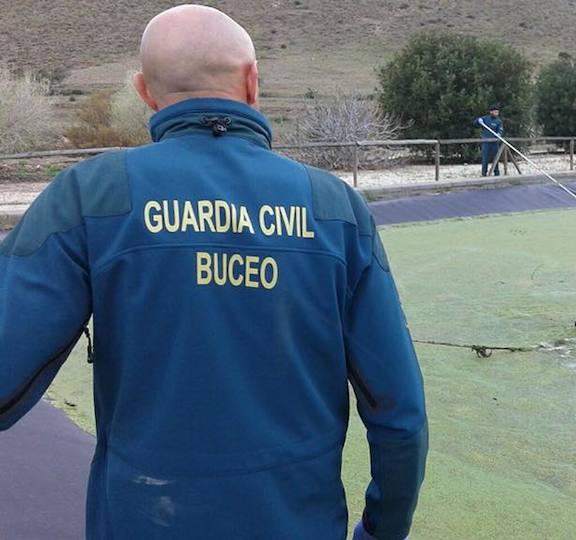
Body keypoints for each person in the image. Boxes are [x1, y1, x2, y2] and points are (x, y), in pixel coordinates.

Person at [0, 5, 427, 540]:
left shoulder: (90, 195)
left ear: (144, 92)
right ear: (252, 82)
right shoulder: (336, 208)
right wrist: (383, 529)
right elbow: (400, 415)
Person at [475, 104, 504, 176]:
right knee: (485, 158)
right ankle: (483, 173)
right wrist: (478, 120)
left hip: (494, 142)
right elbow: (475, 123)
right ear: (491, 112)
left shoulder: (498, 121)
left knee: (496, 158)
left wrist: (499, 134)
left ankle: (496, 173)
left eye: (497, 112)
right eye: (495, 112)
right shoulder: (485, 119)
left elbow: (500, 129)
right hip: (486, 142)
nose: (497, 113)